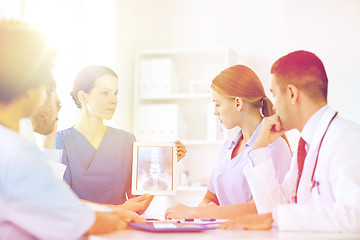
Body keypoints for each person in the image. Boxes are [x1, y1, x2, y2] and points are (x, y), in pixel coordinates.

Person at [0, 19, 143, 240]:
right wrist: (118, 214)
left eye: (115, 93)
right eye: (43, 85)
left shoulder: (10, 146)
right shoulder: (18, 154)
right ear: (29, 88)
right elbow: (76, 218)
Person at [219, 51, 360, 232]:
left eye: (275, 95)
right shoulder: (306, 146)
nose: (274, 105)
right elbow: (274, 209)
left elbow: (355, 215)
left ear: (292, 94)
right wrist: (259, 149)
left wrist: (276, 218)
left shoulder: (346, 139)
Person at [165, 65, 292, 219]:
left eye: (217, 104)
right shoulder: (227, 148)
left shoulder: (275, 147)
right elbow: (210, 198)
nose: (214, 111)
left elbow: (261, 208)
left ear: (238, 103)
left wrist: (196, 212)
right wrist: (204, 209)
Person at [56, 65, 186, 207]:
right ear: (83, 97)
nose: (114, 100)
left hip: (122, 226)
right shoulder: (61, 141)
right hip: (83, 227)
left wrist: (164, 165)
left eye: (115, 93)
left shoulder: (127, 141)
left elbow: (138, 206)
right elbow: (64, 203)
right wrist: (119, 210)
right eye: (105, 93)